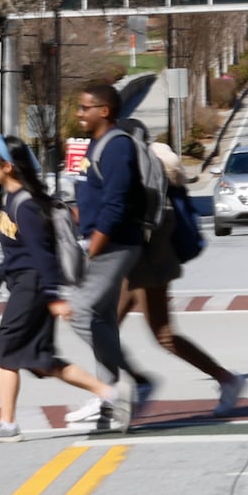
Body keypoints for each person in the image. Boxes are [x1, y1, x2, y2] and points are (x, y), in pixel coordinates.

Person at [0, 134, 128, 442]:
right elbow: (14, 251)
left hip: (33, 288)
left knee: (7, 353)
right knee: (40, 360)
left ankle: (7, 425)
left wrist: (52, 297)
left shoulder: (26, 205)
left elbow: (42, 256)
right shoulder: (10, 200)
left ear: (7, 166)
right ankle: (110, 394)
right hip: (26, 284)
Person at [119, 132, 246, 418]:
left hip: (147, 262)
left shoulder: (144, 167)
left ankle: (225, 379)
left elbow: (145, 221)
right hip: (140, 262)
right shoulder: (146, 163)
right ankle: (113, 392)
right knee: (105, 327)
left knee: (157, 334)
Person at [63, 82, 154, 428]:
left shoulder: (117, 147)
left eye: (85, 108)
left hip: (115, 245)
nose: (78, 113)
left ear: (105, 111)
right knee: (99, 319)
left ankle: (114, 389)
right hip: (96, 241)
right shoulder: (89, 146)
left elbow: (116, 205)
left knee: (81, 313)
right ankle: (108, 396)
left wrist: (94, 246)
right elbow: (84, 196)